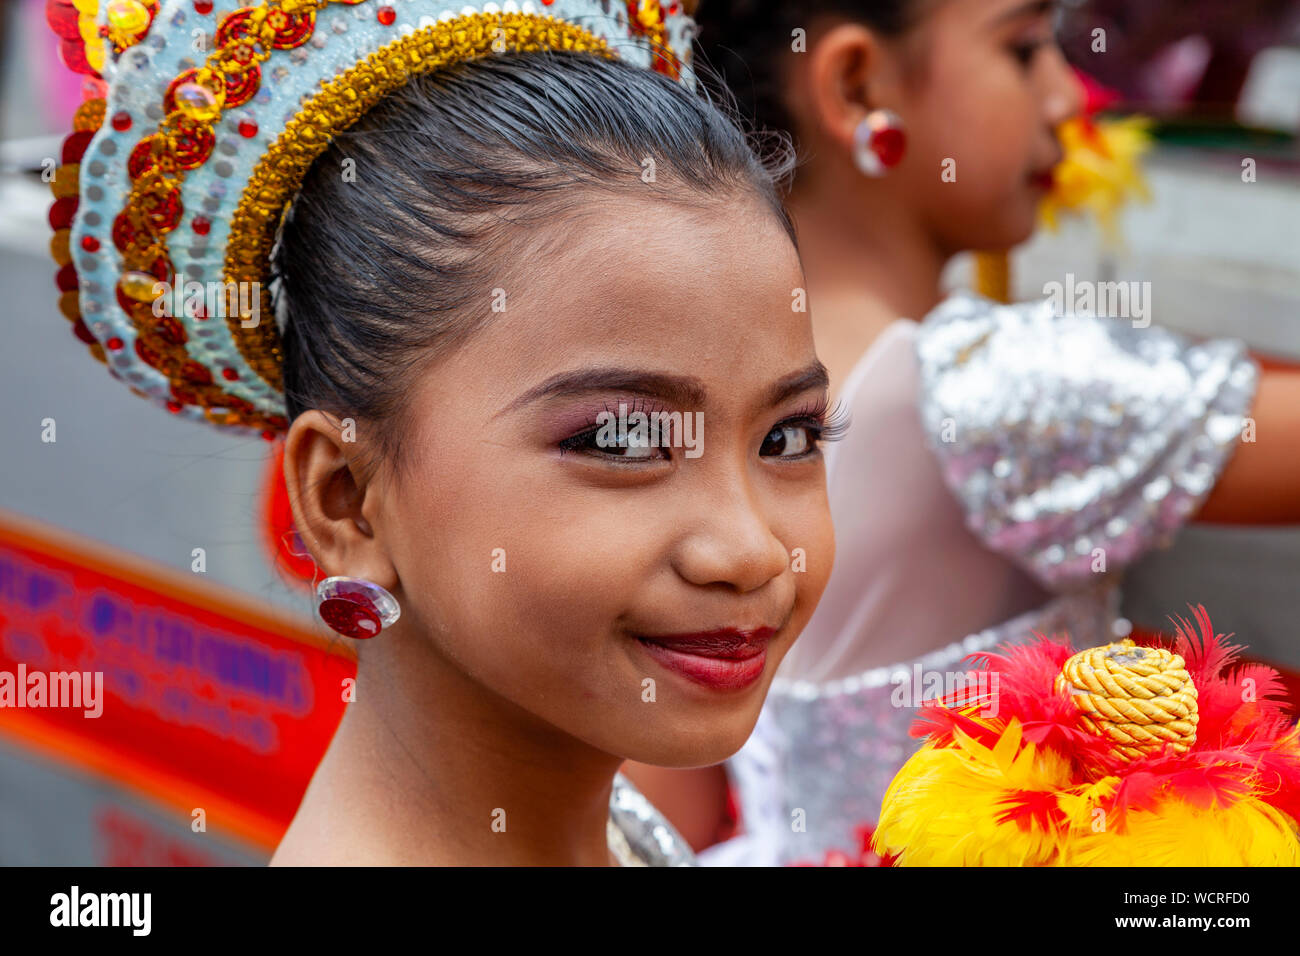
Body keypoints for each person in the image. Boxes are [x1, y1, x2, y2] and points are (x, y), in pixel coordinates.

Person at [47, 1, 840, 865]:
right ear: (346, 501)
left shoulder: (611, 832)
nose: (752, 550)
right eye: (620, 441)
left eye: (788, 438)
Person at [621, 0, 1300, 864]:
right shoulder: (983, 383)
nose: (1069, 99)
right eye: (1023, 51)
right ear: (855, 83)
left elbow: (661, 787)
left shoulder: (688, 381)